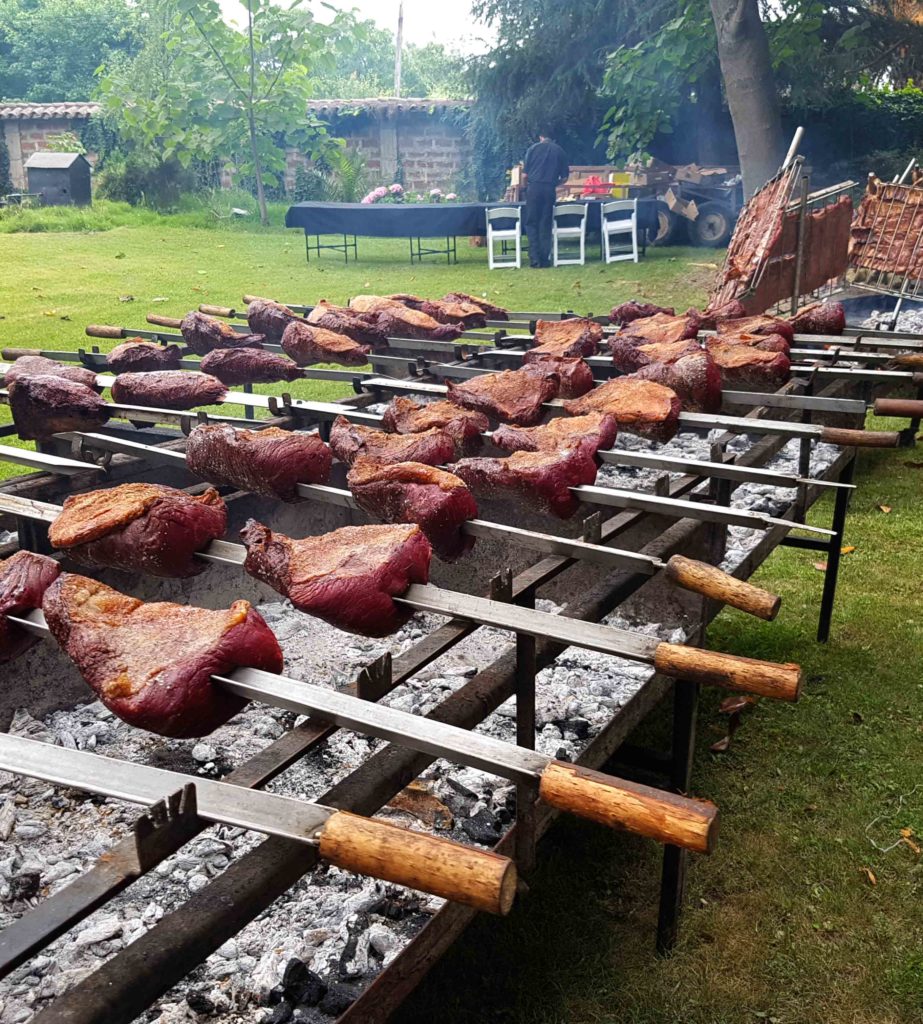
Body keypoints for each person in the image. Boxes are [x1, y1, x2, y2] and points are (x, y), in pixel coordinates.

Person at [522, 130, 569, 268]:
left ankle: (534, 259)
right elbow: (565, 177)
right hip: (549, 190)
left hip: (534, 188)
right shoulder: (559, 151)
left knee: (531, 223)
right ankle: (545, 258)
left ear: (540, 136)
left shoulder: (533, 149)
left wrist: (526, 188)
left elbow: (524, 176)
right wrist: (554, 183)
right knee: (545, 222)